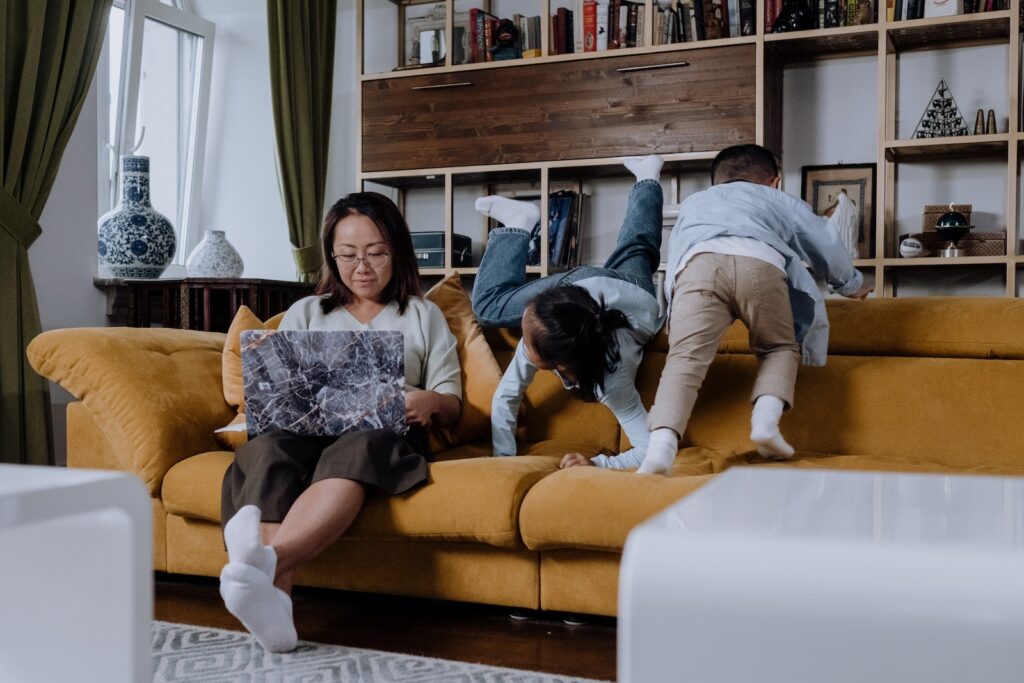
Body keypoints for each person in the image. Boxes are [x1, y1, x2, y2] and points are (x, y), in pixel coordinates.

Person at [219, 192, 462, 652]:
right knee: (269, 449)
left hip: (382, 432)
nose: (361, 267)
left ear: (398, 253)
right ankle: (275, 604)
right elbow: (278, 389)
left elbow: (452, 402)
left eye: (375, 253)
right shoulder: (307, 312)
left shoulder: (423, 314)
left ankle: (263, 565)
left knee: (360, 443)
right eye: (347, 255)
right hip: (306, 431)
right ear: (332, 256)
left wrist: (432, 400)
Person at [638, 144, 873, 475]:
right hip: (759, 264)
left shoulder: (695, 202)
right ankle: (765, 422)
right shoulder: (778, 199)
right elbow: (822, 240)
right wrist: (850, 284)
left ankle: (660, 450)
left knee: (684, 360)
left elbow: (676, 252)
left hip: (698, 267)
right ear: (775, 182)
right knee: (778, 347)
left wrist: (675, 303)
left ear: (716, 182)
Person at [472, 156, 665, 470]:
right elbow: (505, 397)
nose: (523, 335)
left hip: (626, 293)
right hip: (594, 290)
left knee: (487, 306)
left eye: (528, 339)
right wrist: (503, 461)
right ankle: (647, 175)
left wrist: (599, 464)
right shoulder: (544, 328)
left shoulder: (612, 381)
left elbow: (649, 447)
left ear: (559, 364)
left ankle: (519, 225)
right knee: (638, 246)